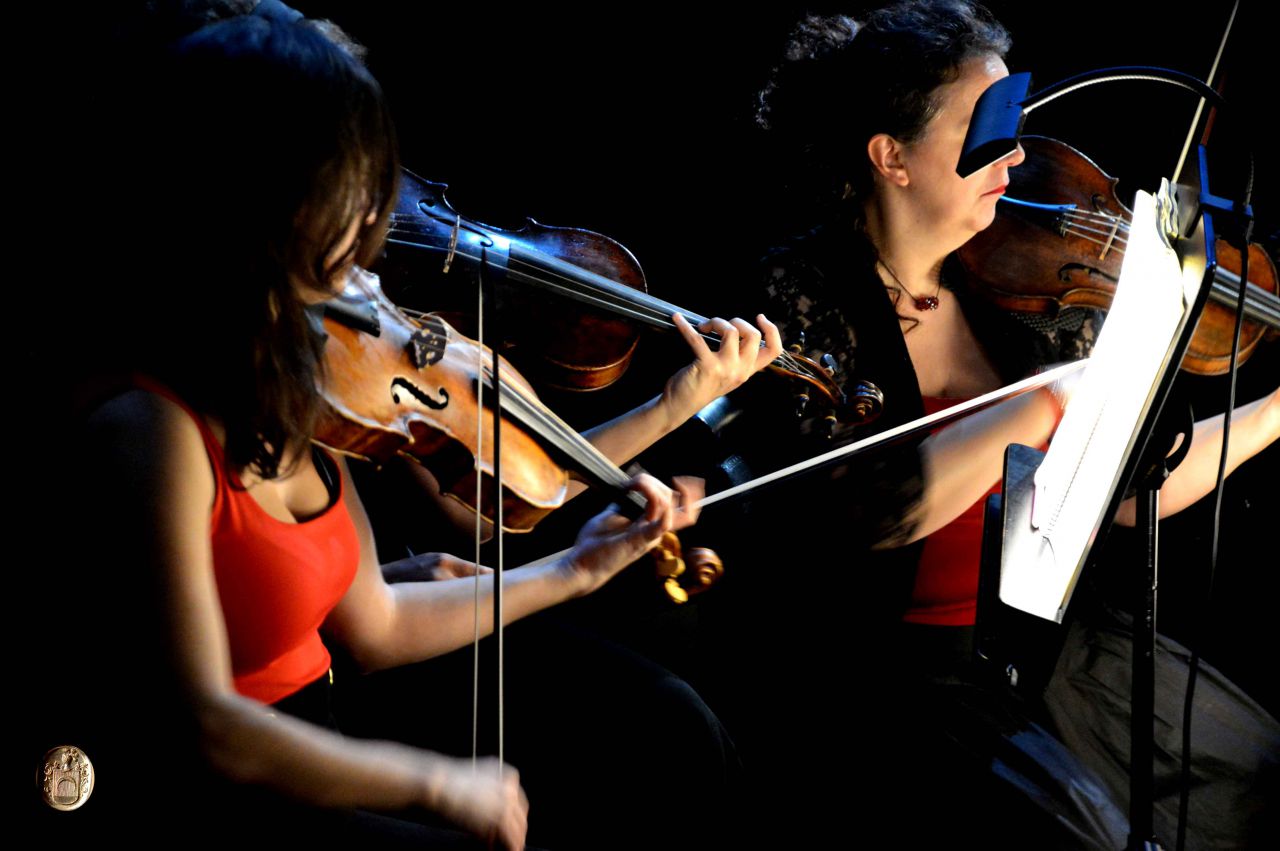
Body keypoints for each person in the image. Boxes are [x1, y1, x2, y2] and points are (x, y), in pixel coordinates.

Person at [37, 13, 759, 848]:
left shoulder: (292, 378)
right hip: (210, 799)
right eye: (355, 207)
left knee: (666, 733)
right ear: (270, 209)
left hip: (317, 749)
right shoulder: (153, 427)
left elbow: (375, 623)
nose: (376, 261)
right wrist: (438, 783)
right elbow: (209, 725)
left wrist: (579, 566)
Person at [712, 1, 1279, 846]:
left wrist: (1277, 411)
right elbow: (876, 513)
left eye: (1012, 126)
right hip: (895, 689)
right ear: (890, 157)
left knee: (1263, 774)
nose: (1014, 155)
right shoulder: (801, 297)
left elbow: (1129, 494)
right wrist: (1047, 398)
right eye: (984, 133)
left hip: (1042, 652)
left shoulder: (1015, 285)